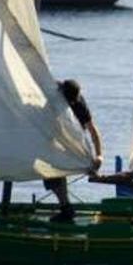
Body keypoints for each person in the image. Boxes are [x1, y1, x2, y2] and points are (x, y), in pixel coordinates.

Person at [43, 79, 103, 223]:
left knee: (54, 173)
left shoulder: (79, 104)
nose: (72, 103)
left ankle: (66, 208)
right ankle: (65, 207)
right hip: (52, 134)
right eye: (69, 101)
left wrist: (99, 155)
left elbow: (92, 131)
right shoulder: (54, 93)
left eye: (73, 101)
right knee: (50, 174)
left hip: (69, 138)